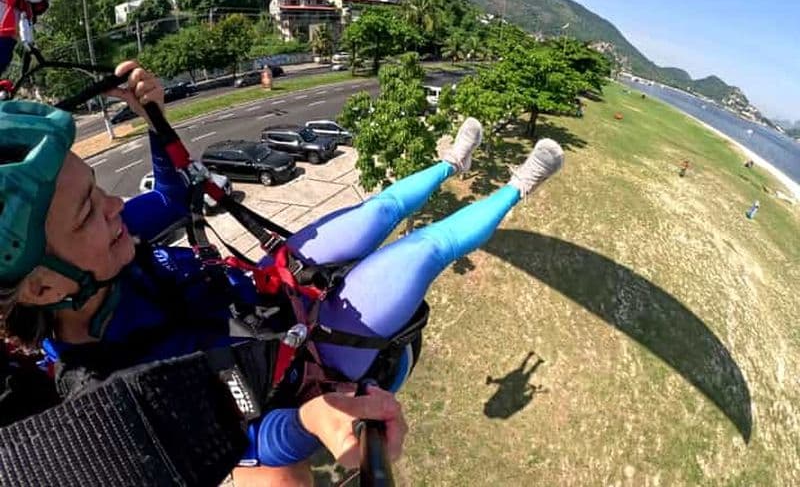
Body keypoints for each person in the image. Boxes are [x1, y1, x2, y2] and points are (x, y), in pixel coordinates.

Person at [0, 63, 564, 484]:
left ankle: (450, 163)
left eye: (98, 190)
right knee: (425, 248)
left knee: (380, 209)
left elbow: (173, 195)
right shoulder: (109, 391)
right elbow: (242, 437)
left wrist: (153, 116)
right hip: (302, 364)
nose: (116, 205)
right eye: (86, 211)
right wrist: (309, 420)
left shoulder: (108, 246)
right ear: (45, 285)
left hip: (269, 288)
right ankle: (519, 186)